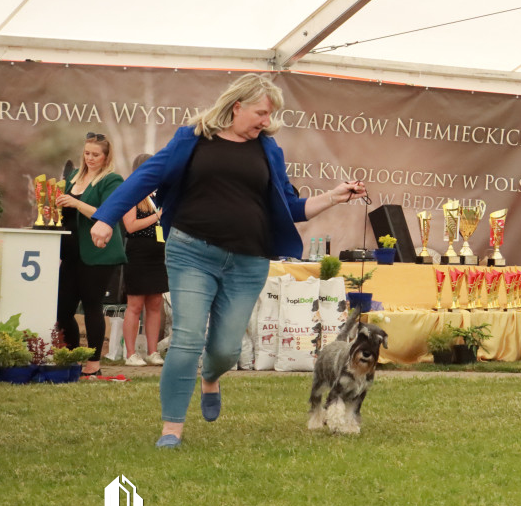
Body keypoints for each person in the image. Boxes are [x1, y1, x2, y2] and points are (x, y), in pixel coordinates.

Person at [89, 74, 367, 448]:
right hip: (191, 253)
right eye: (261, 113)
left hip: (247, 263)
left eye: (269, 115)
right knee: (187, 339)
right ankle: (172, 428)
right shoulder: (192, 139)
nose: (266, 121)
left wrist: (333, 197)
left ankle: (211, 376)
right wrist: (106, 217)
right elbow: (145, 177)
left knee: (225, 350)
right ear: (237, 106)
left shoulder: (269, 151)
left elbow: (291, 208)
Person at [55, 132, 127, 377]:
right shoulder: (74, 176)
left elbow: (106, 212)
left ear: (106, 157)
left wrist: (76, 203)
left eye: (96, 154)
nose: (90, 158)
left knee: (92, 306)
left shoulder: (112, 180)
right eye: (87, 153)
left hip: (98, 253)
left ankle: (93, 365)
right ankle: (75, 357)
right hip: (71, 252)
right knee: (63, 310)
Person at [120, 153, 167, 367]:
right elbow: (130, 226)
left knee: (156, 303)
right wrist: (157, 216)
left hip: (158, 253)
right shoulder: (132, 191)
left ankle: (152, 351)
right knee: (135, 304)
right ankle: (130, 353)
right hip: (138, 252)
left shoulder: (159, 194)